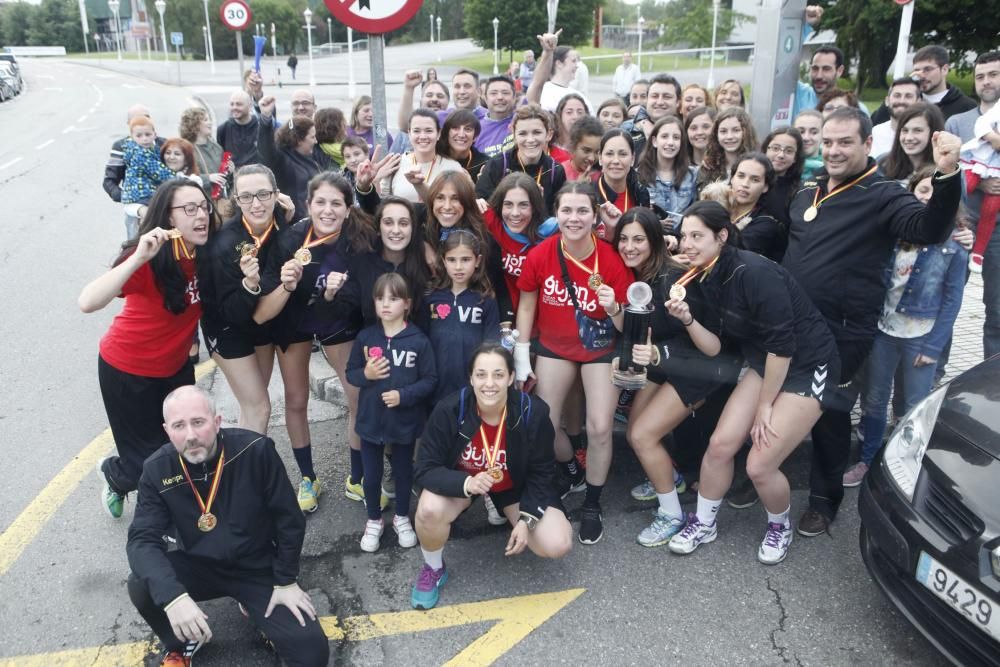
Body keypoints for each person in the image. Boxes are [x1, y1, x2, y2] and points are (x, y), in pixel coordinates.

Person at [781, 107, 963, 536]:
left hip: (841, 329)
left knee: (829, 412)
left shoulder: (884, 193)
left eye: (845, 142)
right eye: (828, 141)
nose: (834, 150)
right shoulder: (808, 188)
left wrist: (947, 173)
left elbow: (929, 229)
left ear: (868, 145)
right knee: (777, 399)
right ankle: (761, 476)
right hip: (789, 322)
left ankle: (824, 501)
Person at [666, 201, 839, 564]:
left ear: (722, 236)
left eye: (697, 235)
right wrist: (686, 319)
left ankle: (780, 526)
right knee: (719, 445)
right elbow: (714, 348)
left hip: (807, 365)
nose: (688, 244)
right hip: (766, 361)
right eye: (684, 236)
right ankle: (705, 522)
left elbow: (784, 346)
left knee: (759, 465)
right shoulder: (703, 275)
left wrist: (765, 405)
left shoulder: (753, 272)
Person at [126, 386, 329, 667]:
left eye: (198, 422)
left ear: (217, 421)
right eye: (179, 426)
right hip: (199, 565)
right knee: (141, 583)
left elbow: (289, 520)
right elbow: (141, 540)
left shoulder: (255, 450)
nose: (191, 435)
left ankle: (259, 614)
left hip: (257, 567)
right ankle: (182, 643)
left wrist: (286, 580)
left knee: (312, 656)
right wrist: (172, 598)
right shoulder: (157, 469)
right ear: (167, 430)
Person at [81, 181, 212, 518]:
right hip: (128, 370)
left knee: (185, 447)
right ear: (168, 219)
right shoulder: (151, 258)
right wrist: (138, 256)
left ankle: (130, 480)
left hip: (176, 369)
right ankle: (119, 477)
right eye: (189, 209)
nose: (201, 215)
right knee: (149, 462)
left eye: (204, 206)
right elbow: (87, 302)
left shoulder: (206, 252)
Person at [251, 173, 378, 514]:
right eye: (320, 202)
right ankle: (308, 477)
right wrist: (286, 281)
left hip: (338, 320)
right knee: (295, 400)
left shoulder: (358, 238)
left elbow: (363, 292)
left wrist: (337, 294)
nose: (328, 210)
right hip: (294, 324)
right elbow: (266, 294)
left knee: (357, 398)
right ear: (308, 205)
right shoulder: (290, 238)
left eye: (337, 203)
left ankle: (357, 477)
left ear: (348, 209)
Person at [411, 343, 572, 609]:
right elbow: (425, 467)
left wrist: (527, 520)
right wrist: (466, 483)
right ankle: (433, 568)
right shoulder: (450, 410)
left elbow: (543, 471)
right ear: (471, 378)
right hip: (466, 482)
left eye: (498, 375)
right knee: (429, 510)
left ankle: (509, 517)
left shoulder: (534, 412)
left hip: (513, 487)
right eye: (482, 374)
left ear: (510, 378)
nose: (490, 383)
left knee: (557, 543)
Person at [514, 183, 631, 544]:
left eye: (583, 211)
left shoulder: (611, 258)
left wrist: (613, 306)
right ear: (555, 214)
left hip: (599, 349)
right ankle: (570, 470)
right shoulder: (541, 253)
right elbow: (528, 303)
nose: (574, 218)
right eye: (567, 210)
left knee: (599, 428)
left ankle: (593, 504)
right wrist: (521, 354)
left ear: (595, 216)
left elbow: (627, 325)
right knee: (542, 423)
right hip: (554, 346)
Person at [612, 208, 734, 546]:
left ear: (654, 240)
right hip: (664, 365)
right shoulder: (641, 275)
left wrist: (656, 354)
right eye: (623, 238)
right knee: (639, 427)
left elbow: (700, 341)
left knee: (641, 436)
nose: (629, 246)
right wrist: (613, 309)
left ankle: (671, 514)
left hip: (695, 370)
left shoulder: (671, 279)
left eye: (638, 239)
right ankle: (669, 476)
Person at [843, 166, 967, 487]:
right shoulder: (892, 236)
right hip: (884, 333)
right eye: (922, 190)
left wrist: (933, 347)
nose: (928, 197)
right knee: (874, 399)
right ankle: (868, 459)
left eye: (935, 192)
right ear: (911, 194)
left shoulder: (953, 248)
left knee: (914, 405)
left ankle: (905, 465)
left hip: (921, 338)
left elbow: (952, 302)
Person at [199, 165, 294, 436]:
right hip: (227, 328)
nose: (256, 204)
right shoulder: (224, 244)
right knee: (259, 407)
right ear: (236, 200)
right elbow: (230, 312)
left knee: (253, 402)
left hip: (259, 325)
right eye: (246, 196)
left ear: (277, 194)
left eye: (263, 194)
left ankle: (245, 460)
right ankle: (249, 474)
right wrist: (249, 285)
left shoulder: (281, 223)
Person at [345, 273, 435, 553]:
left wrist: (403, 395)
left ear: (406, 304)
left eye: (393, 298)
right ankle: (374, 519)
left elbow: (430, 379)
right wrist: (366, 373)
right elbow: (351, 374)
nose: (386, 304)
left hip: (404, 420)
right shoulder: (366, 337)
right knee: (371, 476)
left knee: (403, 472)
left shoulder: (418, 340)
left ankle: (401, 518)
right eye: (380, 298)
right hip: (371, 420)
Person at [946, 51, 1000, 354]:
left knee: (997, 310)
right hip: (961, 224)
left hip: (997, 233)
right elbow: (944, 171)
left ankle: (993, 379)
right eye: (980, 76)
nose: (986, 81)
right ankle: (936, 372)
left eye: (993, 74)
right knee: (945, 303)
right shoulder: (958, 122)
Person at [423, 231, 501, 400]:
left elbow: (492, 345)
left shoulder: (486, 300)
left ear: (477, 261)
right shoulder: (431, 297)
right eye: (452, 260)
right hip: (434, 384)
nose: (458, 267)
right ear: (443, 261)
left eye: (465, 260)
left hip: (471, 385)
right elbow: (421, 339)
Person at [483, 173, 558, 324]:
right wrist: (475, 199)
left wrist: (609, 227)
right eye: (508, 204)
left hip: (542, 322)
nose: (515, 213)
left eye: (524, 205)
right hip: (503, 318)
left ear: (535, 206)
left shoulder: (554, 232)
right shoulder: (492, 221)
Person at [475, 103, 568, 216]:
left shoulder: (555, 170)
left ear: (548, 134)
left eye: (537, 132)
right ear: (514, 135)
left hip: (539, 232)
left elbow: (558, 214)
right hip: (502, 230)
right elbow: (482, 204)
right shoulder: (498, 165)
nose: (530, 140)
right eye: (523, 133)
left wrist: (538, 203)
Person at [257, 95, 333, 221]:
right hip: (292, 225)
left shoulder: (311, 157)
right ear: (299, 140)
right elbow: (265, 150)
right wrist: (265, 118)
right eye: (312, 137)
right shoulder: (282, 160)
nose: (315, 141)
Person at [872, 45, 976, 125]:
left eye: (927, 69)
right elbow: (876, 123)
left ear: (944, 69)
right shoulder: (907, 100)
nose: (921, 75)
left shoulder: (966, 106)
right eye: (917, 70)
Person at [390, 109, 463, 203]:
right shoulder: (395, 163)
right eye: (416, 131)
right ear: (409, 133)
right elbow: (382, 202)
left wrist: (420, 185)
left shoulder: (453, 167)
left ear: (438, 134)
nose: (423, 136)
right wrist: (375, 180)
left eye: (429, 131)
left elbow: (460, 203)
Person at [638, 114, 697, 225]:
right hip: (653, 237)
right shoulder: (638, 176)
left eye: (676, 137)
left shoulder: (692, 175)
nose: (670, 142)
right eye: (664, 136)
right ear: (655, 141)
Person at [593, 129, 651, 236]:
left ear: (633, 159)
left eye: (623, 154)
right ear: (600, 158)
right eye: (609, 154)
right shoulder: (589, 195)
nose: (616, 161)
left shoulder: (640, 193)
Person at [728, 153, 784, 262]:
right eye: (740, 176)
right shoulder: (716, 208)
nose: (745, 184)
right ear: (732, 178)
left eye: (755, 180)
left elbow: (735, 255)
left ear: (765, 187)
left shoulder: (766, 224)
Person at [120, 116, 176, 223]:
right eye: (139, 136)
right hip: (141, 194)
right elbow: (160, 173)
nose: (144, 139)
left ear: (155, 134)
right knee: (160, 215)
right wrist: (178, 177)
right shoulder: (141, 154)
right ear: (132, 137)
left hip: (138, 193)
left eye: (148, 134)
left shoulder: (150, 149)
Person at [878, 103, 946, 183]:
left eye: (917, 130)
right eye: (905, 130)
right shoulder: (883, 164)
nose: (909, 138)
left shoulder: (946, 170)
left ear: (933, 132)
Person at [621, 73, 683, 159]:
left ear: (678, 102)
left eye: (667, 97)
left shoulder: (688, 132)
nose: (659, 102)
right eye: (654, 96)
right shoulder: (625, 131)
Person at [696, 108, 758, 189]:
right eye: (723, 131)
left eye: (736, 130)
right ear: (716, 134)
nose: (729, 136)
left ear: (746, 132)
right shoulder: (709, 166)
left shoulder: (757, 165)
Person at [178, 107, 229, 203]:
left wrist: (230, 169)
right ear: (195, 125)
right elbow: (183, 178)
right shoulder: (186, 149)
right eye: (205, 120)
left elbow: (224, 175)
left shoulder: (216, 147)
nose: (210, 123)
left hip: (220, 201)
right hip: (199, 201)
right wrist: (208, 178)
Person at [760, 126, 805, 226]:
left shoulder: (800, 192)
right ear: (765, 150)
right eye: (775, 148)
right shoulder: (749, 180)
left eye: (789, 151)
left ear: (795, 158)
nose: (781, 155)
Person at [870, 78, 923, 159]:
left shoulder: (926, 135)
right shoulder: (875, 133)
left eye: (908, 96)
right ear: (887, 101)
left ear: (919, 102)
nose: (901, 101)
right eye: (897, 95)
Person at [437, 109, 490, 184]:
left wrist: (471, 184)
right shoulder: (435, 156)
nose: (461, 135)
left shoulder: (484, 164)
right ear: (447, 132)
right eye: (455, 128)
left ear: (475, 136)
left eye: (468, 129)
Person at [217, 90, 262, 168]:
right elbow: (222, 158)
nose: (234, 107)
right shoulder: (223, 129)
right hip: (234, 177)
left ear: (250, 105)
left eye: (239, 104)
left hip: (257, 175)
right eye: (232, 104)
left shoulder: (261, 127)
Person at [560, 116, 604, 182]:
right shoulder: (559, 173)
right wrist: (578, 186)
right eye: (586, 151)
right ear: (573, 147)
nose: (592, 158)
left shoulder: (603, 175)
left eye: (597, 152)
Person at [552, 93, 590, 161]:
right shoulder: (550, 145)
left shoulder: (592, 147)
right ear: (560, 116)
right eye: (569, 112)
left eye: (580, 112)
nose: (575, 117)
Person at [793, 109, 824, 180]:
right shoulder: (782, 166)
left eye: (814, 132)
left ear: (823, 135)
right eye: (801, 132)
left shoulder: (833, 170)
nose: (806, 138)